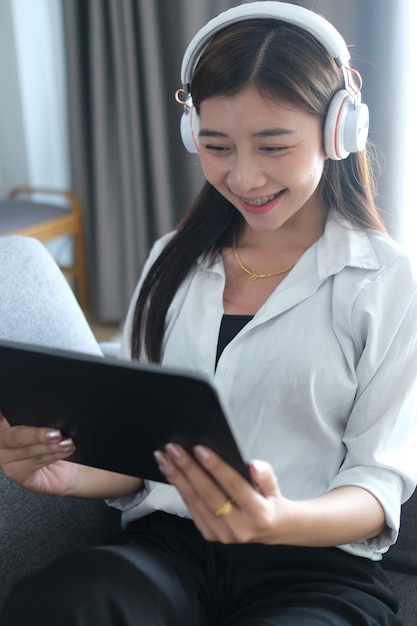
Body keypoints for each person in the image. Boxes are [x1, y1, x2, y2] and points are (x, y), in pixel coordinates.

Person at [1, 2, 416, 624]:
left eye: (273, 146)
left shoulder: (388, 281)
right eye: (217, 145)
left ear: (339, 133)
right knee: (58, 603)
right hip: (168, 549)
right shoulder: (172, 260)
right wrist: (67, 475)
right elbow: (140, 453)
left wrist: (277, 519)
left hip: (313, 563)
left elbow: (378, 486)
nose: (244, 176)